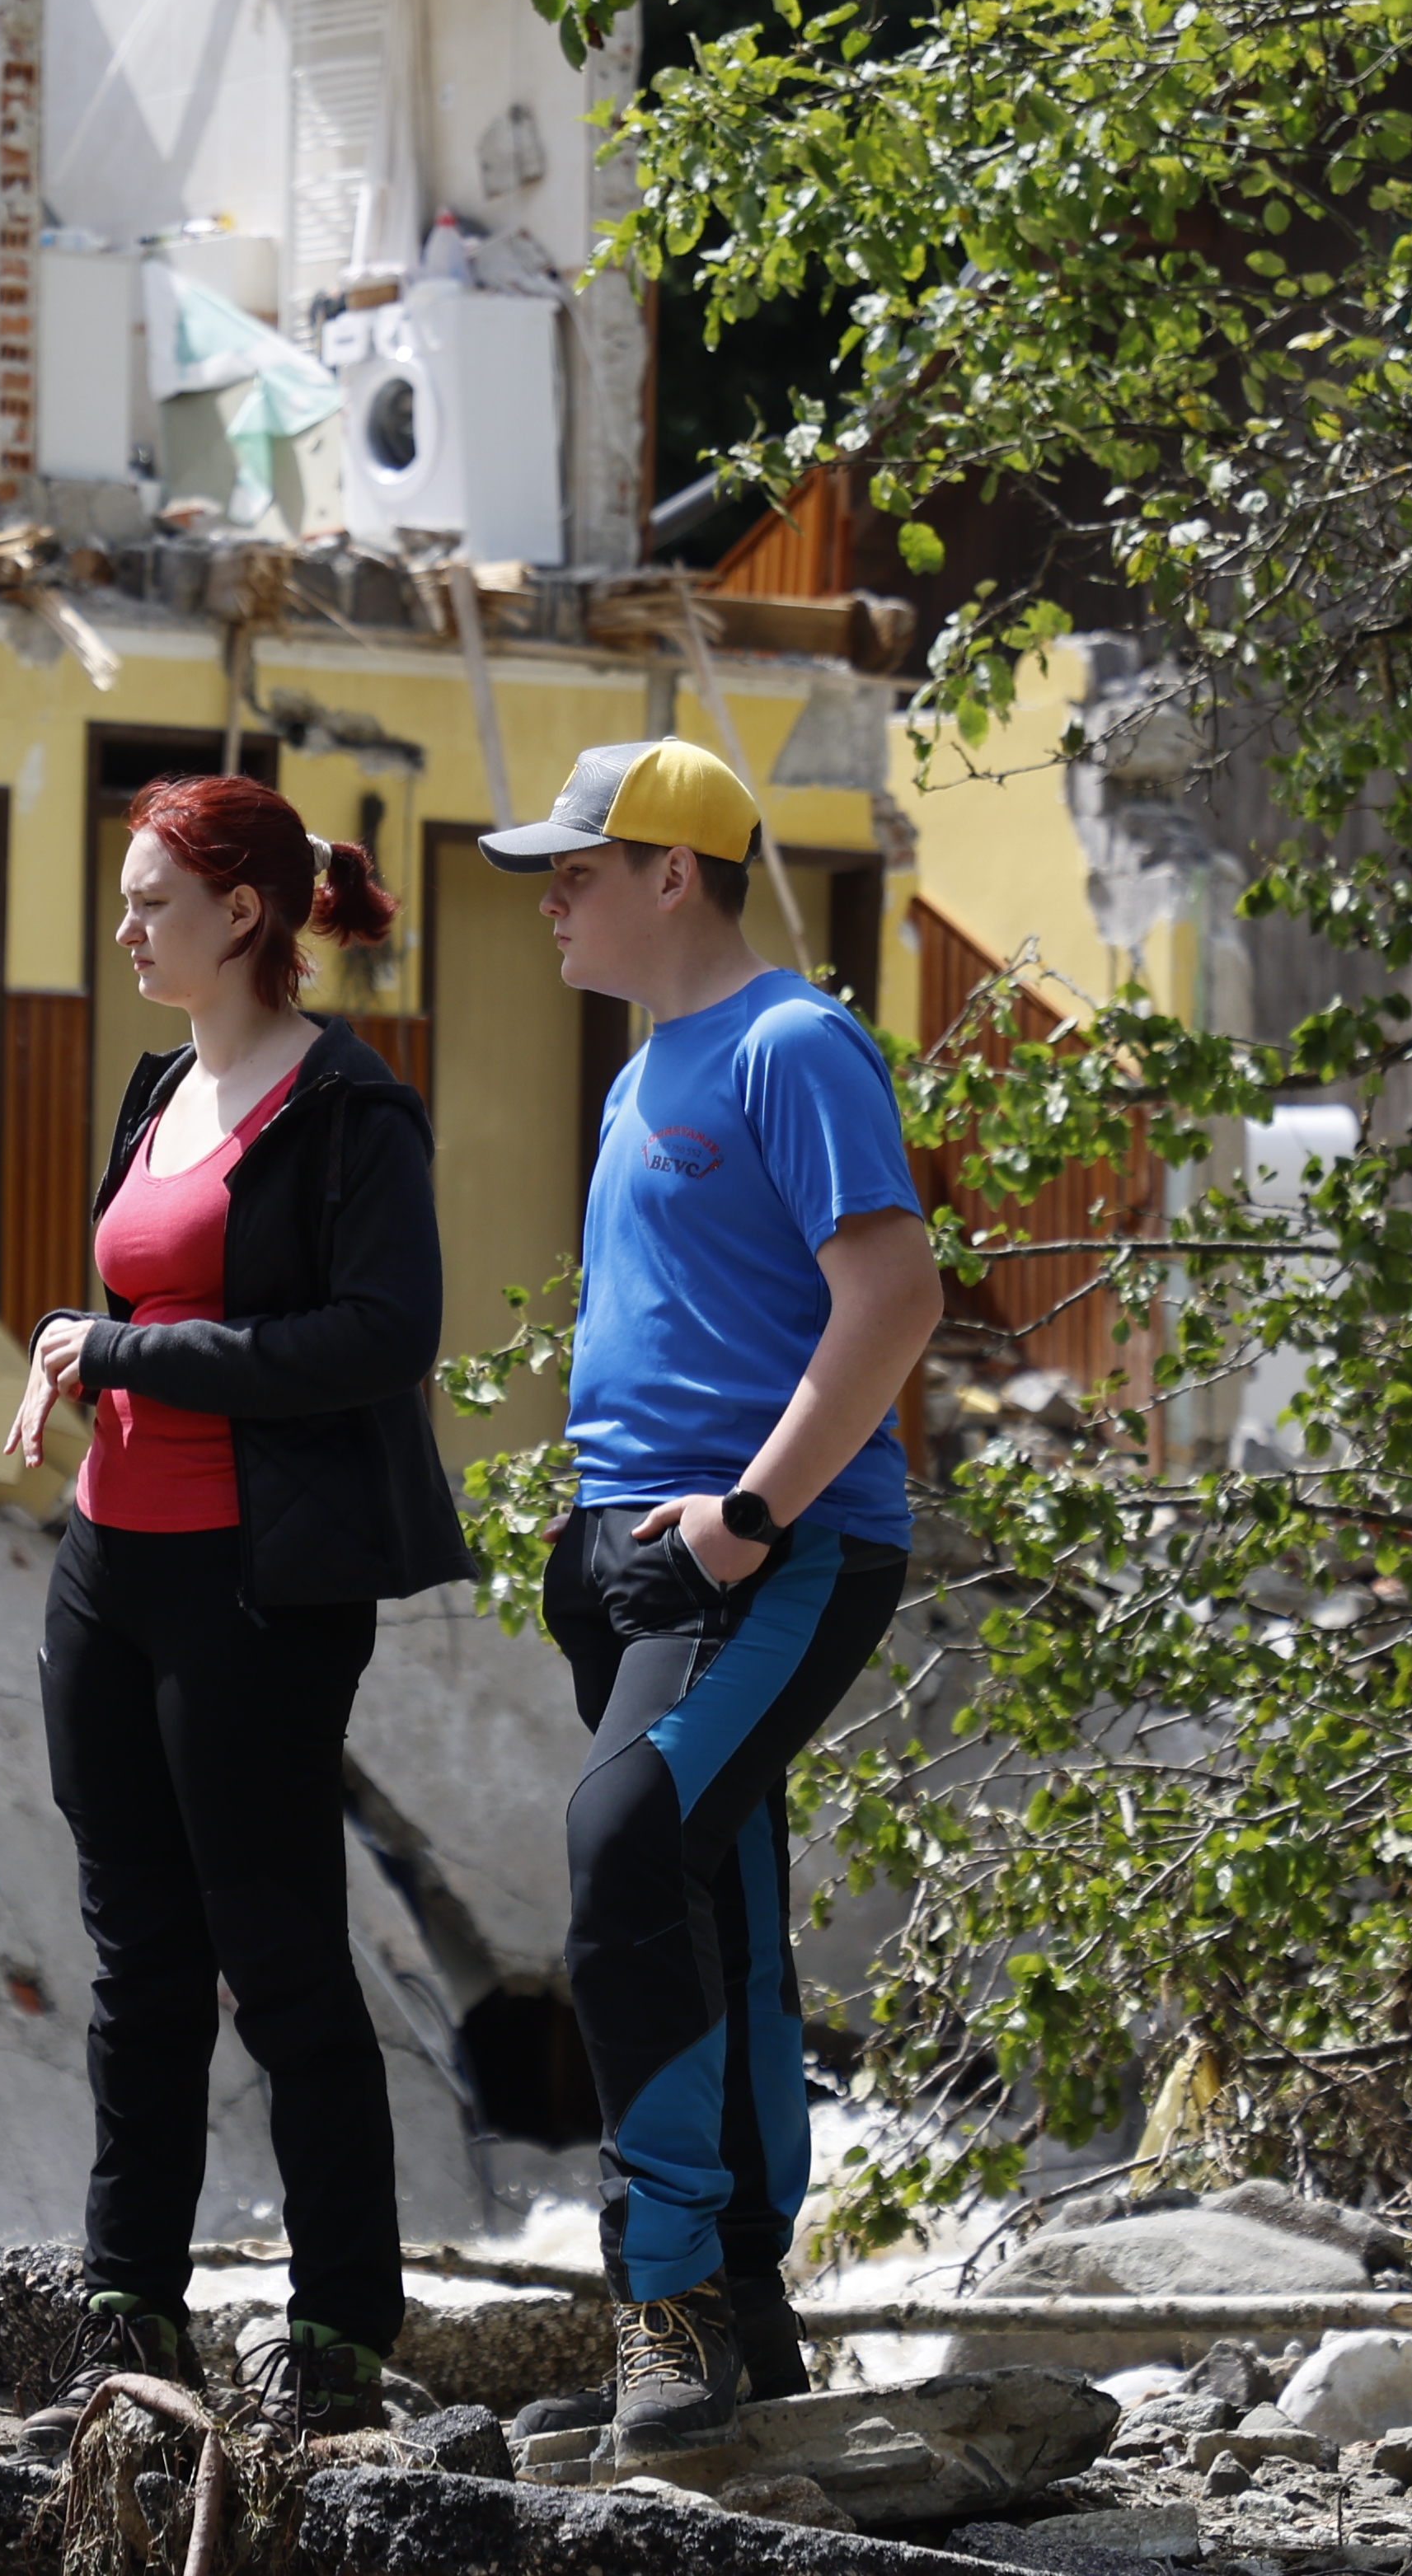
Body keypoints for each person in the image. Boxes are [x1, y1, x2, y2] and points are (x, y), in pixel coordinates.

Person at [0, 770, 477, 2446]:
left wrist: (126, 1349)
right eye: (128, 898)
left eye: (154, 900)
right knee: (137, 1962)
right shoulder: (161, 1082)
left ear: (247, 913)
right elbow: (146, 1293)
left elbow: (380, 1336)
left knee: (276, 1961)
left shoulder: (351, 1108)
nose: (127, 926)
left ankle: (339, 2322)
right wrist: (75, 1345)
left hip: (257, 1588)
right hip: (108, 1570)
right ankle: (129, 2306)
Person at [476, 740, 942, 2451]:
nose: (549, 900)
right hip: (635, 1558)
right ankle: (745, 2307)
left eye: (576, 870)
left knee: (625, 1848)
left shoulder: (789, 1043)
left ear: (674, 872)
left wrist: (747, 1515)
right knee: (713, 1893)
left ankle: (661, 2306)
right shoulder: (645, 1068)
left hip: (775, 1549)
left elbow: (895, 1293)